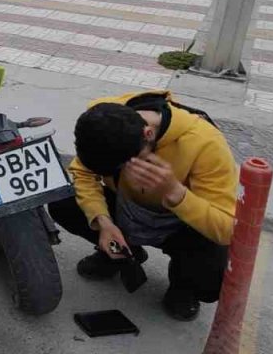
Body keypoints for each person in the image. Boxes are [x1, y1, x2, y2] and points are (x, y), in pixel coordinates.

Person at [47, 91, 237, 321]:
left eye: (125, 166)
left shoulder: (205, 143)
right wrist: (103, 222)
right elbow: (83, 175)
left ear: (148, 134)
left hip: (178, 225)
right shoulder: (104, 120)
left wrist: (177, 194)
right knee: (62, 201)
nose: (129, 173)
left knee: (211, 279)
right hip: (124, 209)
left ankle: (183, 285)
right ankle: (122, 253)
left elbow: (227, 229)